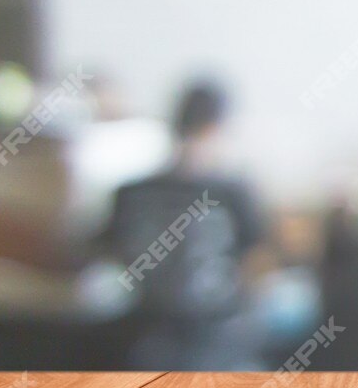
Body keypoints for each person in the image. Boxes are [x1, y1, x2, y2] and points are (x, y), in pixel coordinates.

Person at [102, 80, 268, 368]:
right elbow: (260, 260)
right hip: (214, 337)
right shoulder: (233, 192)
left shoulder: (131, 191)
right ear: (217, 127)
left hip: (141, 335)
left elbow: (107, 250)